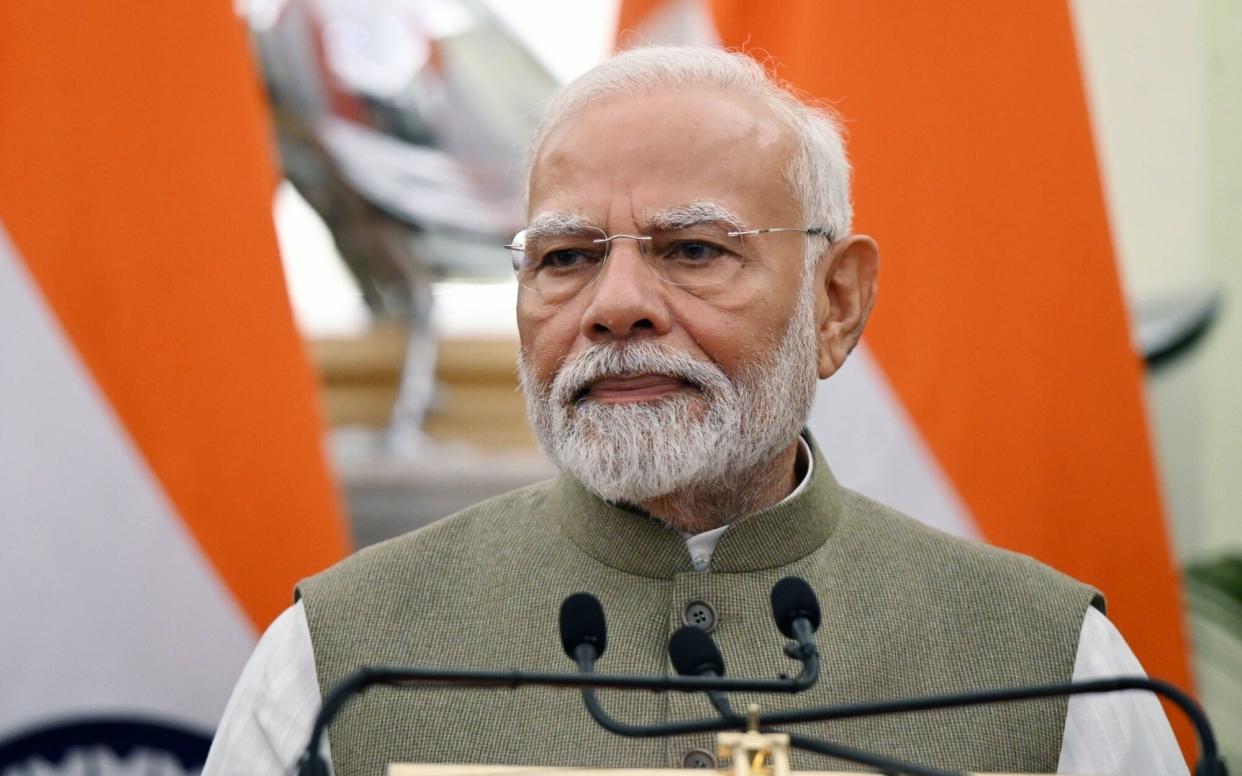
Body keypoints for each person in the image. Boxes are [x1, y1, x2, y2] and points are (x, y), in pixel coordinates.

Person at [204, 46, 1185, 776]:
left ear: (835, 301)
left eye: (692, 250)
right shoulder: (336, 656)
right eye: (566, 256)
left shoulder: (1055, 667)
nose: (613, 304)